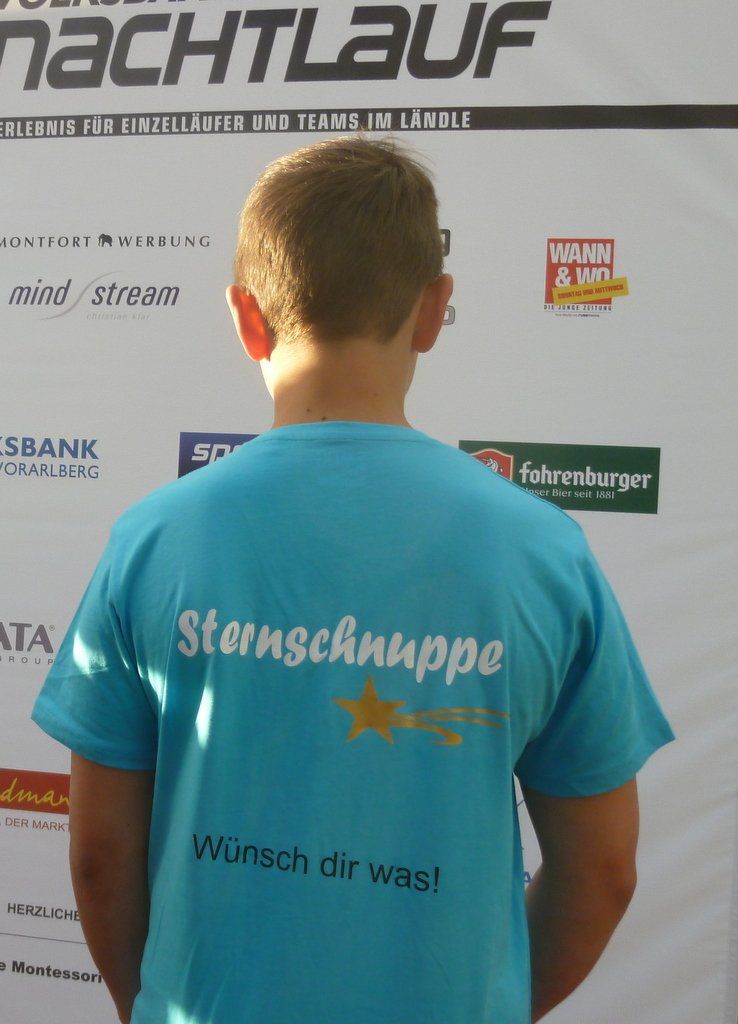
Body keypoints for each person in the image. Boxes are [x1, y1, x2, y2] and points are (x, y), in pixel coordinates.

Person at [32, 135, 674, 1024]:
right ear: (434, 310)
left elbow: (101, 857)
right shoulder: (542, 552)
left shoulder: (153, 540)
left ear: (245, 317)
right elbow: (601, 871)